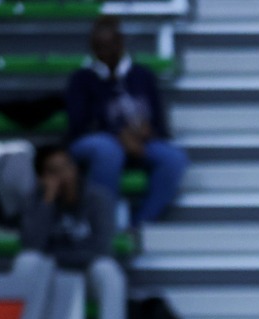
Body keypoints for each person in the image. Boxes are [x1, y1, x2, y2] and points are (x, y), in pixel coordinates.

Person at [17, 144, 126, 319]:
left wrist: (58, 255)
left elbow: (102, 249)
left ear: (76, 168)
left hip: (85, 275)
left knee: (108, 271)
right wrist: (47, 201)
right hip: (52, 275)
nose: (64, 175)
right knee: (26, 262)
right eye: (54, 171)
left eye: (67, 167)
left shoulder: (98, 198)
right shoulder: (35, 201)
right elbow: (32, 245)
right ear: (43, 177)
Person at [65, 16, 187, 226]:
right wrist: (119, 136)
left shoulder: (143, 76)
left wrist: (148, 132)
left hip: (139, 143)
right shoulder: (82, 79)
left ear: (120, 43)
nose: (102, 53)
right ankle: (103, 225)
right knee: (107, 151)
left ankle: (140, 223)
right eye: (97, 47)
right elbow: (79, 124)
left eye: (107, 46)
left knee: (174, 159)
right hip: (98, 142)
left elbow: (159, 123)